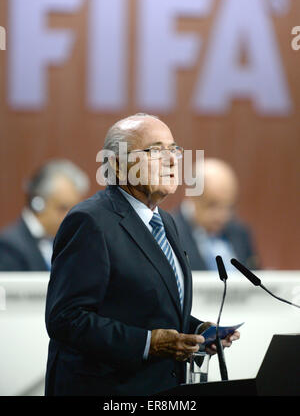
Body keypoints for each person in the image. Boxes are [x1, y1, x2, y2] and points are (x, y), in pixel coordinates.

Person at [44, 114, 240, 396]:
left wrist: (197, 331)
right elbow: (65, 319)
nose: (172, 160)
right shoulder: (90, 221)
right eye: (156, 151)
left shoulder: (166, 222)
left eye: (173, 150)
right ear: (118, 164)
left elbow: (147, 308)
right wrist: (148, 343)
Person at [0, 159, 90, 271]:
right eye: (63, 208)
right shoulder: (9, 246)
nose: (71, 217)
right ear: (38, 204)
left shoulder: (70, 243)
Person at [173, 158, 258, 271]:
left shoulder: (240, 232)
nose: (222, 216)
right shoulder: (170, 233)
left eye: (229, 207)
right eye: (212, 205)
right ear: (191, 195)